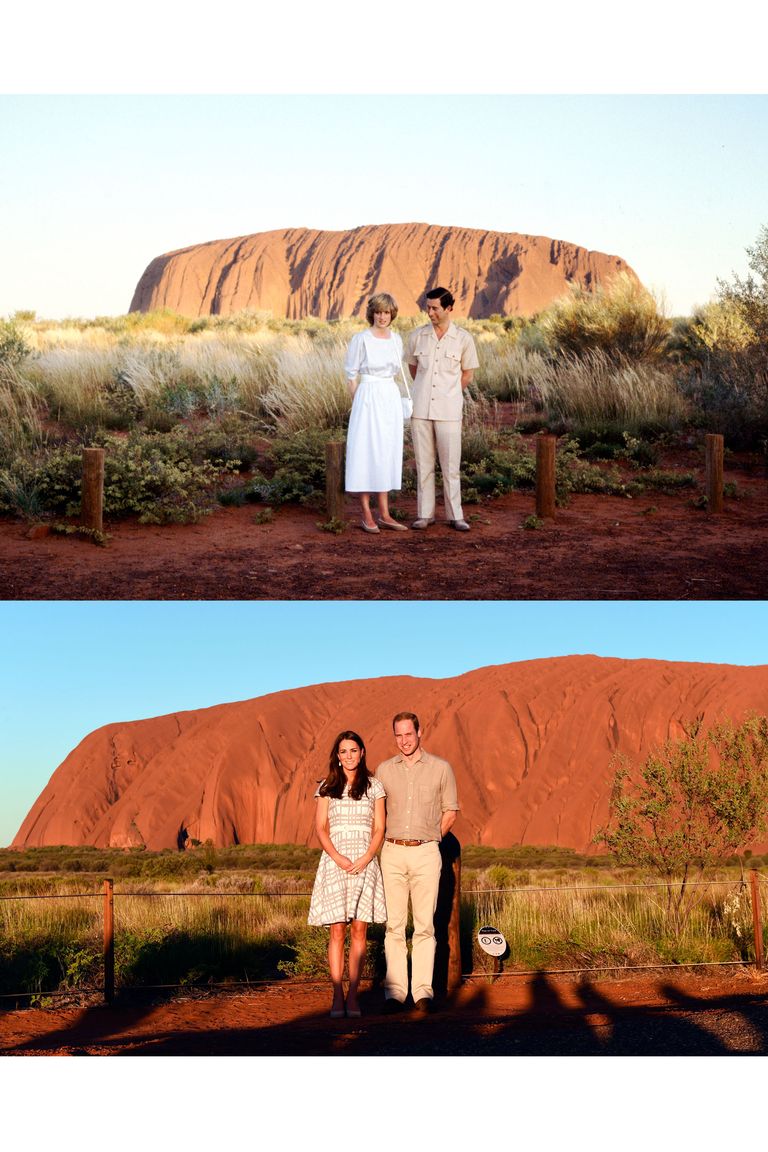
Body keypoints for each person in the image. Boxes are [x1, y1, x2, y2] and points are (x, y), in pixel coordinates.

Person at [375, 712, 459, 1014]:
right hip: (393, 852)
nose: (404, 741)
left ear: (419, 732)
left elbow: (451, 810)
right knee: (394, 926)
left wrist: (433, 837)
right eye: (398, 735)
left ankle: (423, 992)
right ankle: (395, 993)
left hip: (426, 852)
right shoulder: (384, 771)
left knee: (424, 925)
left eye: (408, 734)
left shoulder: (440, 769)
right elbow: (377, 813)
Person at [308, 730, 387, 1018]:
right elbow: (320, 828)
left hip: (365, 864)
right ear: (337, 756)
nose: (349, 756)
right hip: (335, 863)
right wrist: (337, 856)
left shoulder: (375, 786)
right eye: (343, 751)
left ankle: (354, 995)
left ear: (362, 752)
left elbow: (379, 828)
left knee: (359, 930)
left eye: (354, 750)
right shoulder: (327, 786)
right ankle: (336, 994)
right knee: (337, 930)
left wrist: (367, 857)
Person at [405, 286, 480, 531]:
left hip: (449, 410)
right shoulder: (417, 336)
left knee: (450, 465)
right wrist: (426, 390)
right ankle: (425, 514)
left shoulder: (463, 339)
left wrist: (449, 392)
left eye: (435, 308)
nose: (430, 312)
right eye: (428, 307)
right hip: (421, 409)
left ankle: (455, 515)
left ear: (448, 308)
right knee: (424, 464)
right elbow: (414, 369)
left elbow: (467, 374)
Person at [344, 292, 409, 533]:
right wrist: (359, 402)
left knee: (386, 451)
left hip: (389, 395)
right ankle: (366, 513)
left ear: (393, 314)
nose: (382, 317)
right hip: (368, 396)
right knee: (365, 450)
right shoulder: (361, 339)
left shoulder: (396, 339)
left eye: (387, 312)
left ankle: (385, 513)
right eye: (379, 312)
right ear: (372, 313)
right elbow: (351, 375)